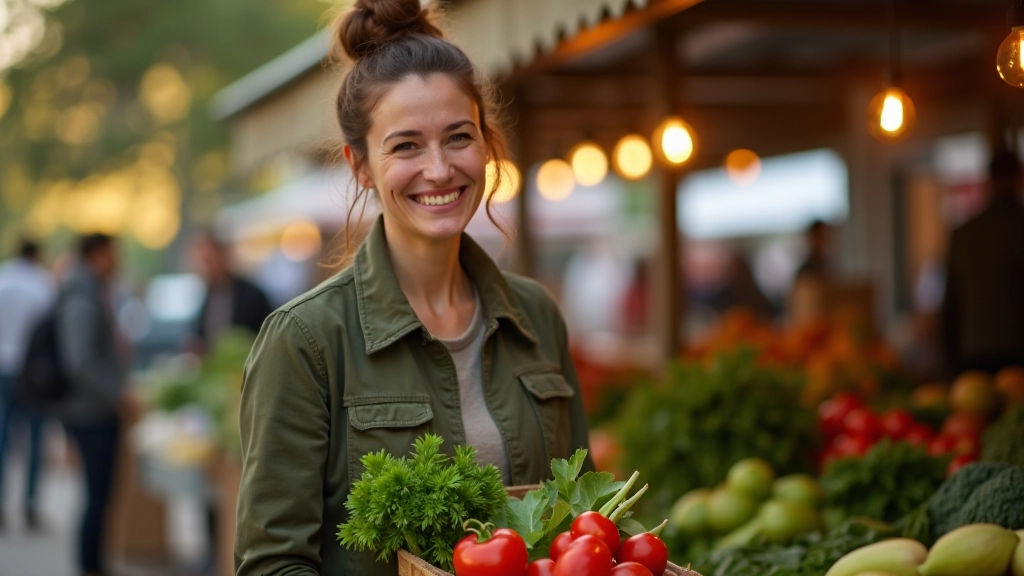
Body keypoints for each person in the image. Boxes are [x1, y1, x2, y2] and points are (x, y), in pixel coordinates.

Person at [234, 2, 593, 574]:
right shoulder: (306, 340)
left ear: (487, 143)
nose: (439, 169)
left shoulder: (536, 314)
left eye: (458, 137)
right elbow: (273, 564)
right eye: (405, 146)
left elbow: (582, 520)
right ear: (360, 166)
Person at [55, 233, 127, 576]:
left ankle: (93, 562)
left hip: (92, 409)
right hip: (90, 412)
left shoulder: (88, 289)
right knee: (96, 494)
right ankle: (90, 565)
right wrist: (116, 393)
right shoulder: (82, 293)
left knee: (98, 494)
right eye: (114, 254)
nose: (119, 261)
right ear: (99, 254)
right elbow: (79, 359)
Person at [940, 146, 1024, 375]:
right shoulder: (1019, 226)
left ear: (989, 179)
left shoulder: (965, 233)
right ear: (1019, 176)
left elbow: (950, 301)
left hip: (973, 348)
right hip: (1018, 348)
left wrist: (948, 362)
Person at [0, 239, 56, 532]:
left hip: (4, 368)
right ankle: (30, 505)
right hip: (33, 372)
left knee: (3, 437)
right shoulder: (41, 284)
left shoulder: (3, 280)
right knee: (35, 440)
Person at [190, 233, 273, 352]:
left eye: (209, 260)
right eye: (202, 262)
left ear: (223, 257)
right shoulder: (207, 296)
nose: (205, 267)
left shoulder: (253, 296)